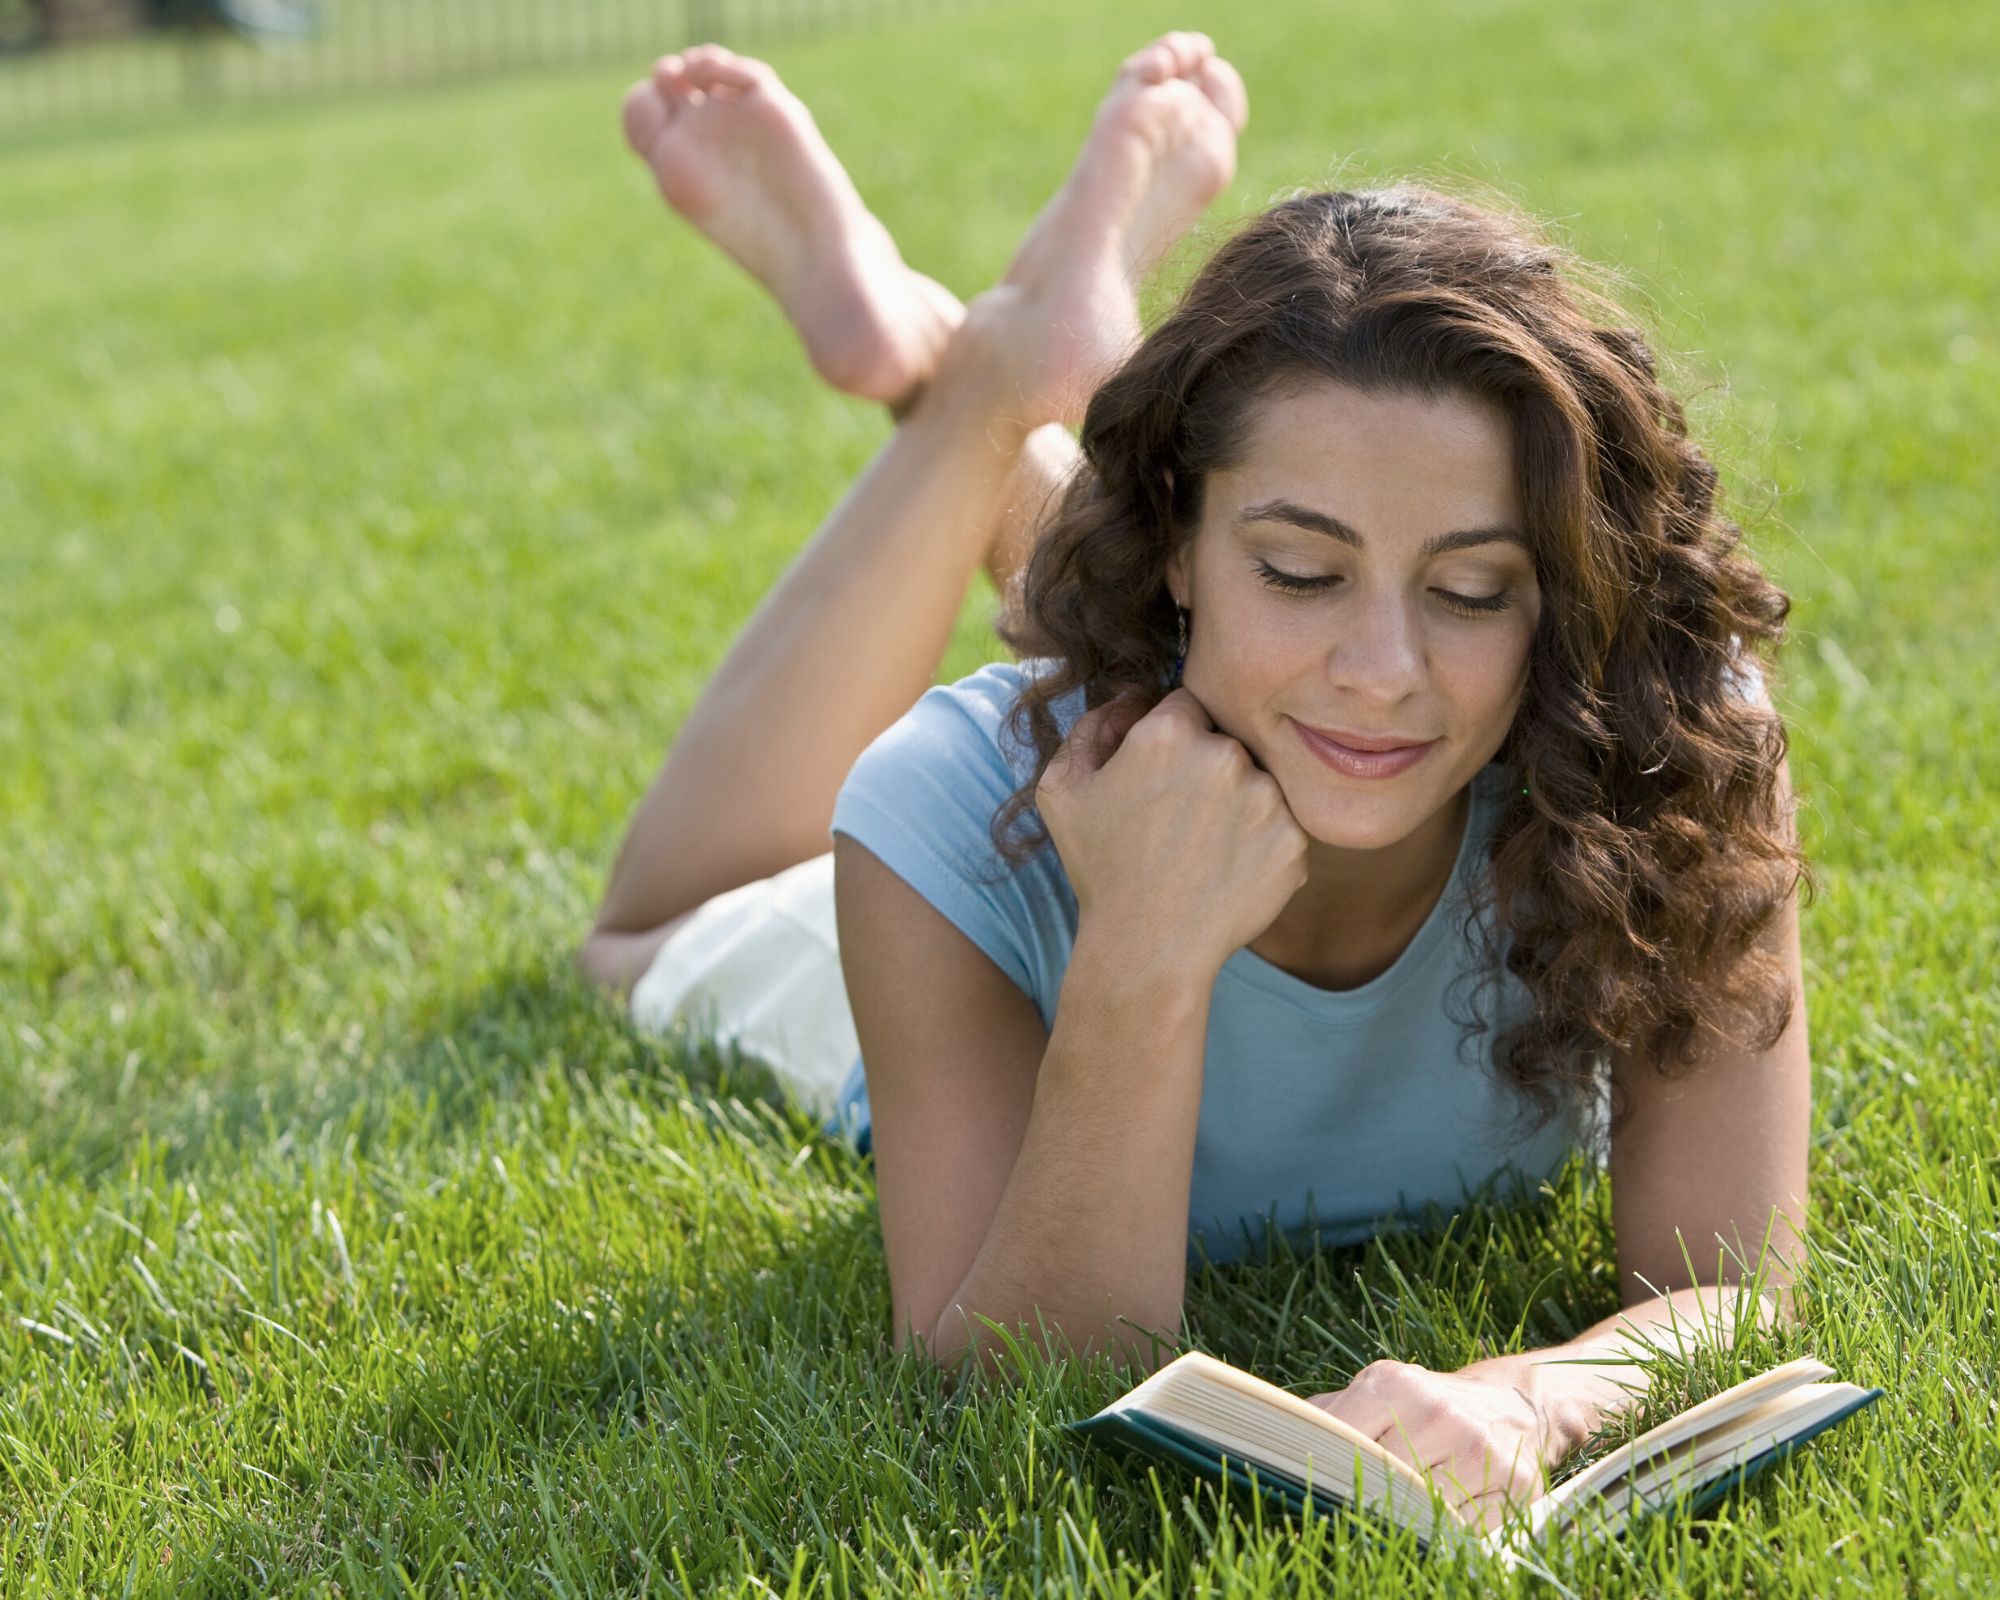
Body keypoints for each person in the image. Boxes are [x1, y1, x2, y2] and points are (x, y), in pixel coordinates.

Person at [584, 33, 1812, 1529]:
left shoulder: (1664, 748)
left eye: (1477, 591)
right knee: (638, 939)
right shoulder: (954, 818)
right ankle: (980, 396)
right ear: (1175, 531)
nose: (1386, 669)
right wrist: (1142, 957)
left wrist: (1533, 1391)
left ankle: (960, 366)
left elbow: (1732, 1292)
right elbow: (1018, 1385)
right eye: (1300, 569)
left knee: (1265, 663)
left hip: (1179, 635)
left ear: (1562, 587)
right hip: (976, 877)